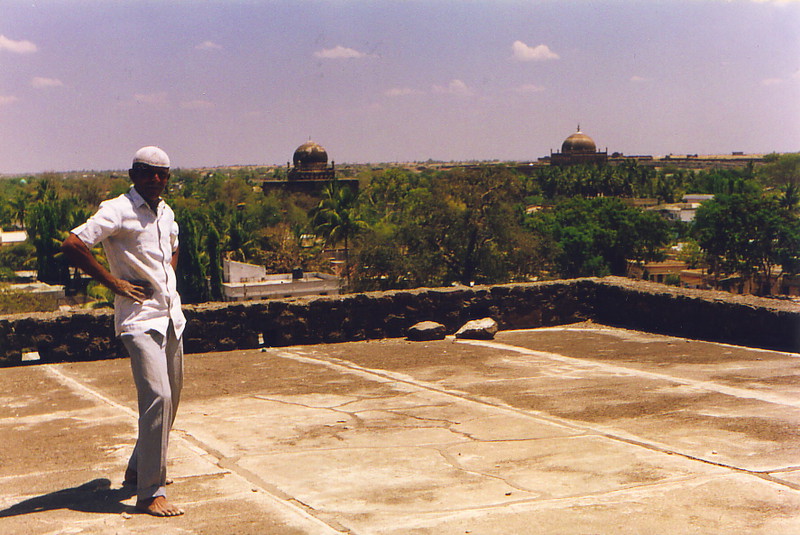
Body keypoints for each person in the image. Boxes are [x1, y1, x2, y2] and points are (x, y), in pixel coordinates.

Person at [61, 146, 186, 517]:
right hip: (138, 319)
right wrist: (114, 282)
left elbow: (173, 248)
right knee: (158, 396)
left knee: (170, 401)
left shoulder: (166, 212)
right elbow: (74, 243)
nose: (156, 179)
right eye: (148, 172)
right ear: (133, 174)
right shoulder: (118, 209)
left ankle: (137, 468)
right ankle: (150, 492)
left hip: (170, 316)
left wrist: (166, 279)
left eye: (162, 173)